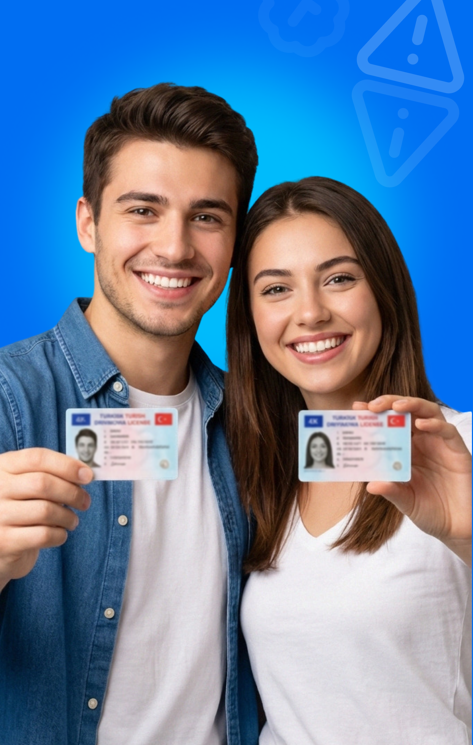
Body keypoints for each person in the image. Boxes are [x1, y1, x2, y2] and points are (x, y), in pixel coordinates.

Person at [0, 83, 259, 745]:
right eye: (143, 209)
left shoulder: (259, 424)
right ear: (87, 222)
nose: (173, 248)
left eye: (206, 217)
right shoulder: (8, 403)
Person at [226, 176, 472, 745]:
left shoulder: (460, 447)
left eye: (338, 278)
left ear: (383, 289)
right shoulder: (253, 471)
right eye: (276, 289)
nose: (310, 313)